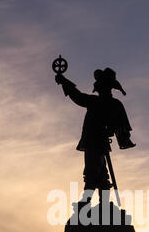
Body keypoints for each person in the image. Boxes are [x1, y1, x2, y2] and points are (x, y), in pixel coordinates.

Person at [55, 67, 136, 204]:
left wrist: (64, 82)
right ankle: (99, 203)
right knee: (100, 171)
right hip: (96, 141)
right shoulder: (106, 103)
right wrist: (64, 81)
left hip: (96, 142)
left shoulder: (106, 104)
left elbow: (120, 128)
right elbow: (78, 97)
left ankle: (88, 202)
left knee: (94, 170)